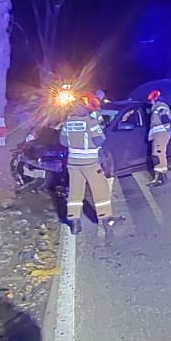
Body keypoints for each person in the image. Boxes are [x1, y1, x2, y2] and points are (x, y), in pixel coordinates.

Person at [60, 94, 115, 236]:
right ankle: (106, 219)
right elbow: (99, 140)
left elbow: (63, 142)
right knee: (100, 189)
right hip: (90, 162)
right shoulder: (90, 121)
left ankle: (75, 222)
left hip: (73, 163)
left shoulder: (68, 122)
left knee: (75, 191)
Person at [146, 88, 171, 186]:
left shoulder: (160, 107)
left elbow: (165, 119)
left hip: (161, 135)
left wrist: (168, 130)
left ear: (155, 99)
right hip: (159, 135)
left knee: (157, 155)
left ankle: (159, 179)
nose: (150, 102)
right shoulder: (157, 107)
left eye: (151, 100)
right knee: (160, 155)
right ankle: (162, 176)